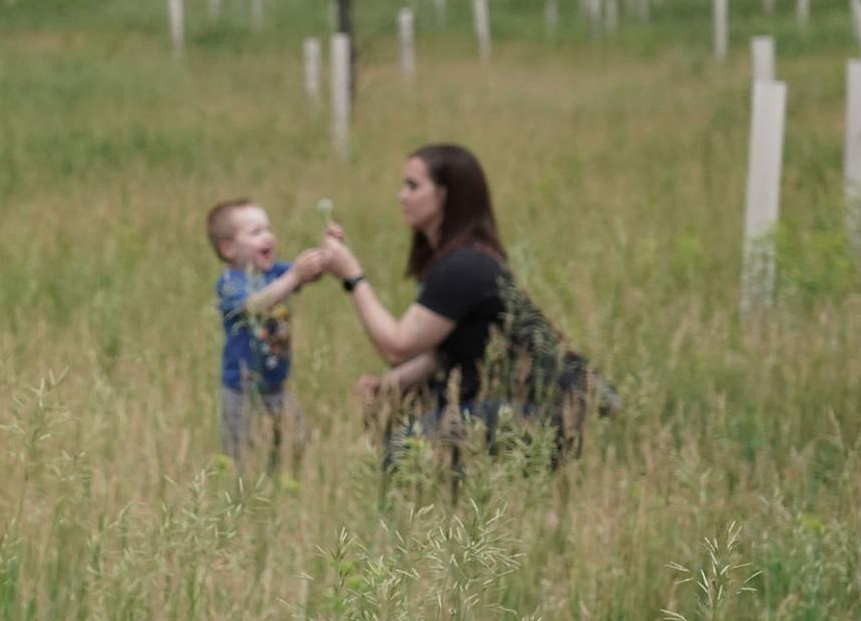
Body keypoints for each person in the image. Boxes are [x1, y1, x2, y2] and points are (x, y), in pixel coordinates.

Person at [304, 144, 603, 471]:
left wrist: (352, 277)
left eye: (413, 186)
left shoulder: (464, 266)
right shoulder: (462, 258)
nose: (400, 196)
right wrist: (391, 385)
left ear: (445, 195)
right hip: (522, 403)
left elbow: (398, 345)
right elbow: (451, 350)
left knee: (401, 456)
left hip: (545, 412)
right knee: (395, 421)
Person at [207, 198, 324, 467]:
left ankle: (288, 488)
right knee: (242, 458)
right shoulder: (231, 282)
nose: (268, 236)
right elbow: (254, 305)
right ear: (228, 248)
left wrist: (324, 254)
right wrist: (295, 277)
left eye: (268, 229)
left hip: (277, 385)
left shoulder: (275, 271)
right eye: (256, 232)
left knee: (298, 445)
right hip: (242, 390)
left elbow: (308, 273)